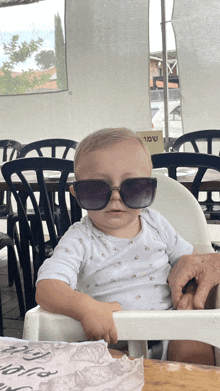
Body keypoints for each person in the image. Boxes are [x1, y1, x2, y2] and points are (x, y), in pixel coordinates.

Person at [36, 128, 215, 365]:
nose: (115, 197)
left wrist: (190, 293)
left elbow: (191, 266)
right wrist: (85, 308)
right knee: (94, 361)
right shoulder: (79, 238)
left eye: (133, 187)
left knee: (195, 342)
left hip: (170, 334)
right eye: (96, 188)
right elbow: (47, 288)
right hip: (113, 340)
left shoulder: (157, 224)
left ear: (151, 189)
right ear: (76, 193)